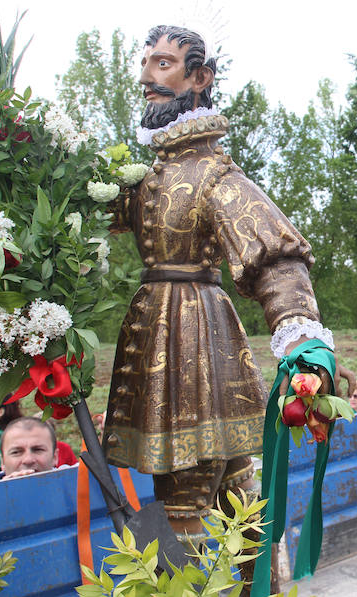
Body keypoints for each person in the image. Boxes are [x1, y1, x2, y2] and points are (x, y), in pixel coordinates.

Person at [102, 24, 338, 559]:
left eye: (163, 64)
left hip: (196, 344)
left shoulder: (214, 175)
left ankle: (200, 585)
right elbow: (82, 209)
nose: (146, 77)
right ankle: (261, 584)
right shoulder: (144, 174)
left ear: (200, 78)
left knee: (190, 502)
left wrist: (302, 340)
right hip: (160, 337)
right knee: (238, 496)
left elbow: (275, 258)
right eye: (146, 63)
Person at [0, 417, 59, 481]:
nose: (28, 460)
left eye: (38, 450)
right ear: (3, 462)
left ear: (55, 457)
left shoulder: (65, 485)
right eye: (16, 452)